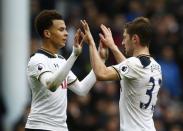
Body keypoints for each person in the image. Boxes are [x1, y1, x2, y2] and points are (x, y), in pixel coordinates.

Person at [25, 10, 107, 131]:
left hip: (61, 128)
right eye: (61, 30)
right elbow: (51, 84)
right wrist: (74, 55)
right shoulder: (37, 60)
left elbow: (82, 90)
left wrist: (101, 60)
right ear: (47, 33)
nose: (67, 33)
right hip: (40, 127)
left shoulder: (61, 61)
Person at [81, 17, 162, 131]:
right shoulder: (156, 66)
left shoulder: (134, 65)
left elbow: (101, 73)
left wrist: (91, 43)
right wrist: (112, 46)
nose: (123, 42)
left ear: (134, 39)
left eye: (125, 38)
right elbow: (129, 69)